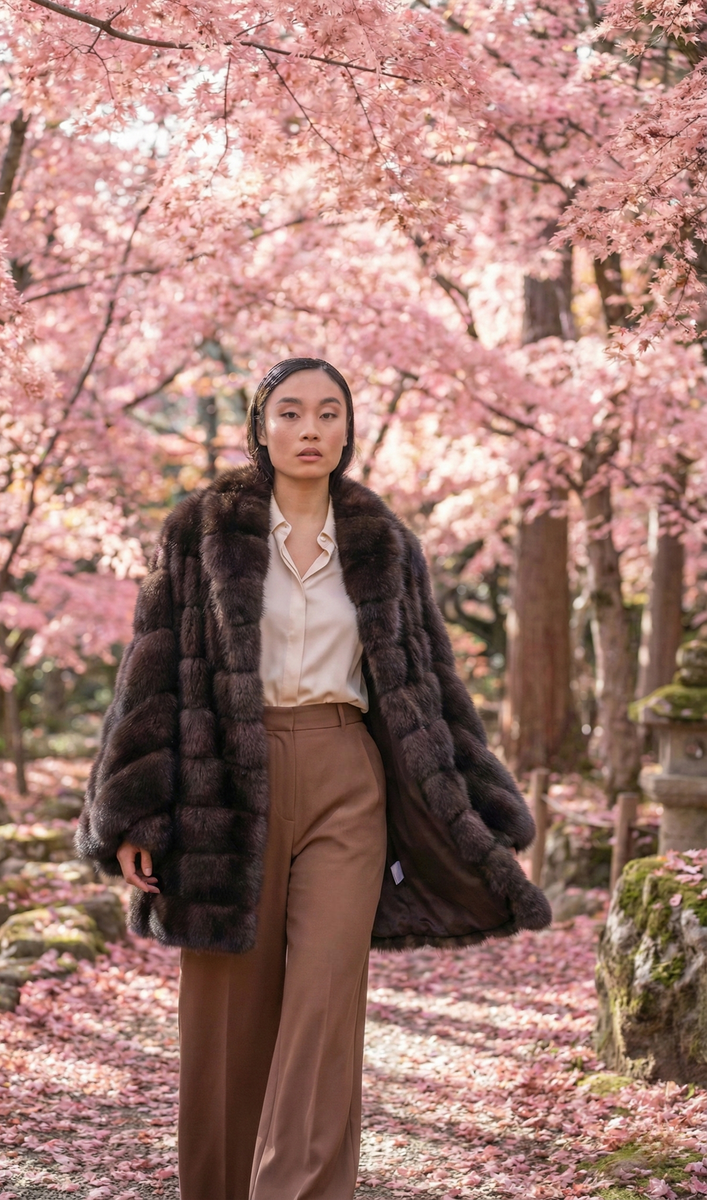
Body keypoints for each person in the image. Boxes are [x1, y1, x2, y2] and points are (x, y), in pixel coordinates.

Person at [76, 357, 551, 1200]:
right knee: (227, 1009)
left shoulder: (384, 544)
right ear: (259, 426)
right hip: (223, 778)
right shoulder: (200, 529)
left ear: (347, 429)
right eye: (290, 413)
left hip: (345, 776)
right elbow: (150, 670)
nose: (309, 429)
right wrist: (134, 815)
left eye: (327, 414)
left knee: (324, 1004)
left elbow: (430, 681)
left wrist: (482, 803)